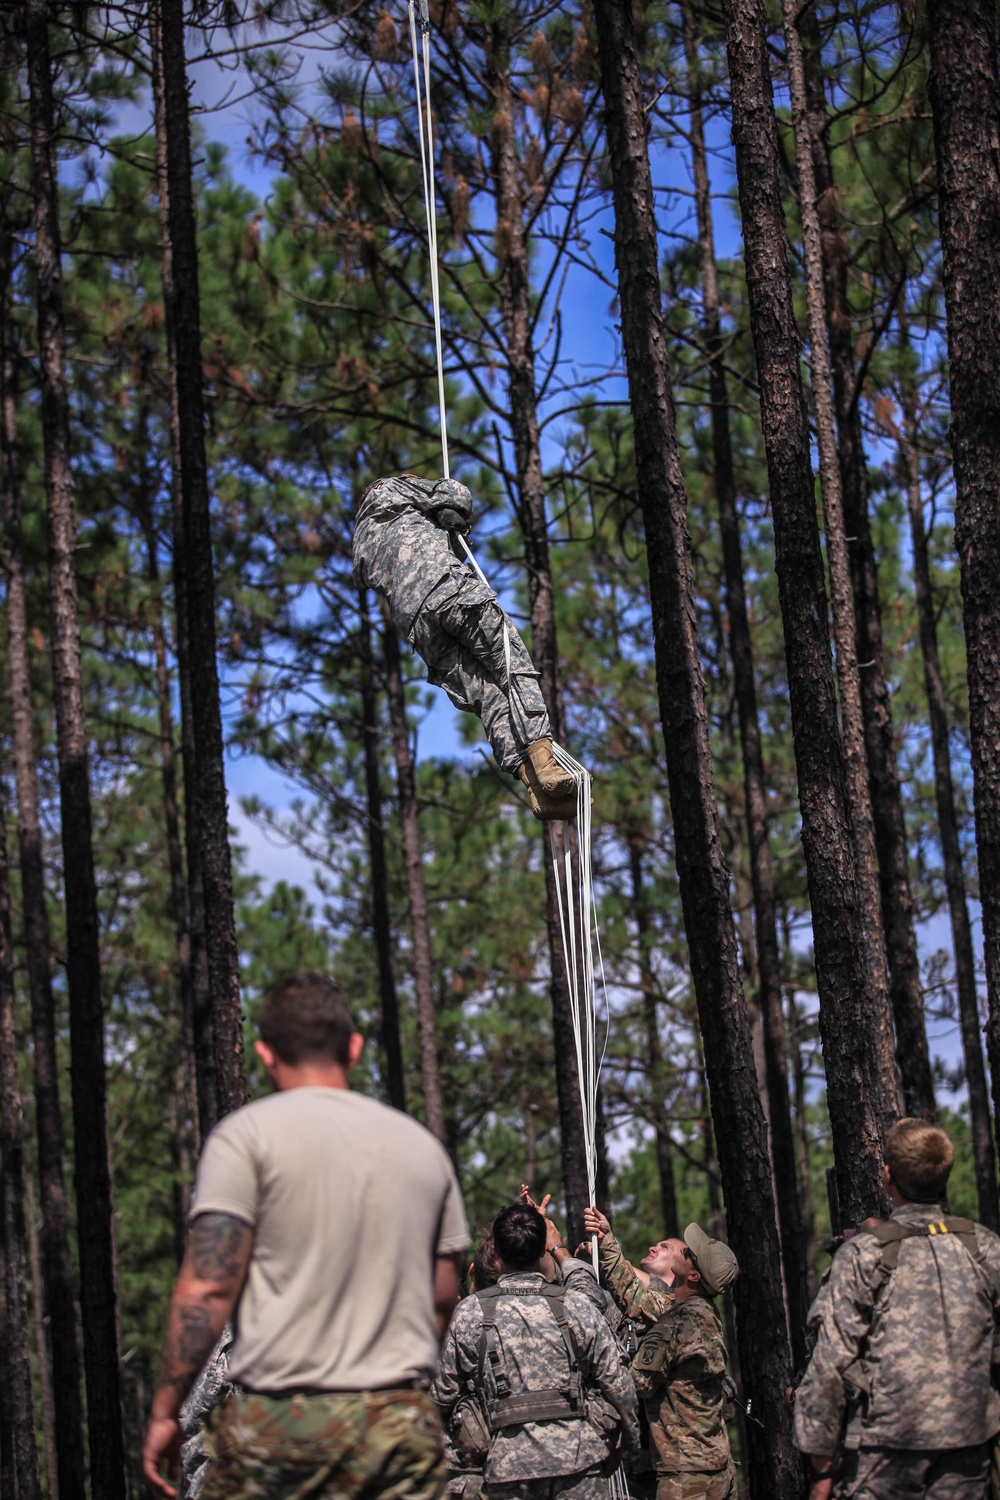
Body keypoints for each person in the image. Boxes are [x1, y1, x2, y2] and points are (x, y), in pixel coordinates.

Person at [142, 973, 470, 1500]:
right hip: (397, 1425)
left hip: (277, 1423)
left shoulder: (244, 1139)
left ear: (265, 1054)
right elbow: (440, 1295)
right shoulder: (422, 1149)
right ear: (355, 1049)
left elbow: (207, 1286)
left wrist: (166, 1408)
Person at [352, 474, 581, 820]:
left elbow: (431, 544)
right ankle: (546, 764)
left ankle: (535, 785)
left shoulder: (362, 544)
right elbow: (454, 493)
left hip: (417, 624)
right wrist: (455, 517)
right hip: (446, 588)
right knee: (510, 660)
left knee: (487, 695)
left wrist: (443, 527)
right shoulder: (393, 488)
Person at [794, 1117, 1000, 1500]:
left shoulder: (864, 1254)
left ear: (888, 1176)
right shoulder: (984, 1247)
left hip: (887, 1451)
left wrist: (821, 1467)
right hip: (970, 1447)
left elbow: (829, 1364)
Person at [432, 1201, 640, 1500]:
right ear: (544, 1248)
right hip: (580, 1463)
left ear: (497, 1254)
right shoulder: (576, 1305)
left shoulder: (470, 1313)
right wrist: (626, 1443)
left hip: (509, 1470)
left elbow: (442, 1394)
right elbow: (619, 1384)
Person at [584, 1209, 739, 1500]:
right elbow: (635, 1294)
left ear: (693, 1275)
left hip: (686, 1476)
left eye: (689, 1253)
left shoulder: (678, 1324)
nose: (685, 1249)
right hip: (717, 1465)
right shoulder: (699, 1311)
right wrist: (606, 1240)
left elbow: (635, 1384)